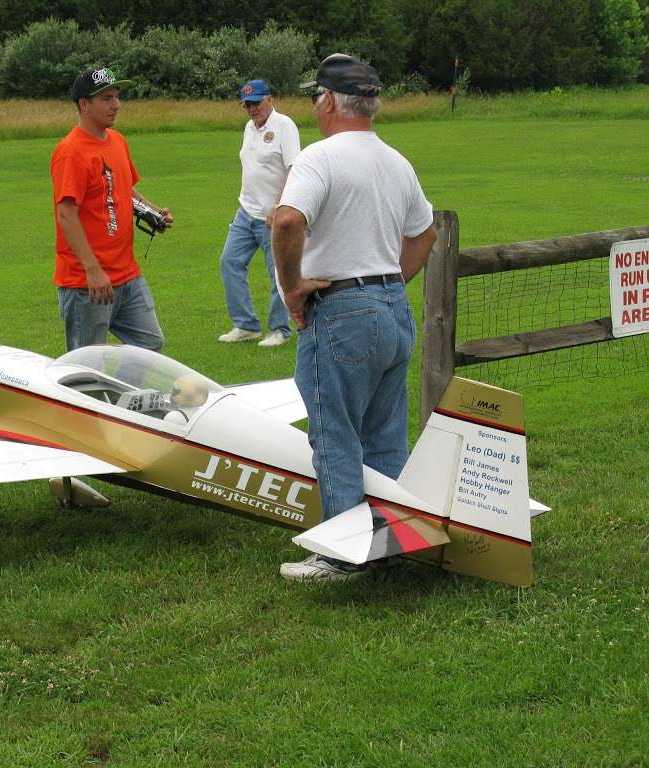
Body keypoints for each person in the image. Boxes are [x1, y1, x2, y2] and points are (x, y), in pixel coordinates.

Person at [272, 54, 438, 582]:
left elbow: (287, 221)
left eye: (313, 97)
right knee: (386, 435)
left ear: (327, 100)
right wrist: (388, 282)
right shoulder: (396, 160)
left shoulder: (318, 158)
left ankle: (341, 553)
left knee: (334, 431)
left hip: (340, 311)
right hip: (392, 305)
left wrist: (293, 288)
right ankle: (389, 540)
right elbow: (425, 234)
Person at [51, 66, 173, 352]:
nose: (116, 104)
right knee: (87, 362)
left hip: (126, 273)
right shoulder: (71, 152)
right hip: (86, 282)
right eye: (106, 98)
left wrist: (153, 212)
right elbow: (66, 214)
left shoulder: (117, 141)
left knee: (150, 344)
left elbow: (123, 189)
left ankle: (115, 394)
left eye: (117, 97)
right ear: (85, 104)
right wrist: (92, 270)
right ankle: (86, 394)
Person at [217, 79, 301, 348]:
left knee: (277, 272)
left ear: (270, 99)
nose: (252, 110)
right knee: (229, 262)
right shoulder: (249, 128)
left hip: (272, 216)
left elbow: (293, 169)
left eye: (256, 103)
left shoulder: (284, 126)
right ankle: (246, 325)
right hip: (246, 211)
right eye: (247, 105)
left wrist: (278, 206)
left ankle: (280, 329)